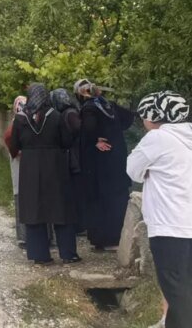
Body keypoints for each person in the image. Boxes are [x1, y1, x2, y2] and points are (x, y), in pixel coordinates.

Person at [127, 91, 192, 328]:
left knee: (176, 291)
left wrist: (149, 171)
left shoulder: (157, 138)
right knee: (185, 287)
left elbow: (133, 170)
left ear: (153, 116)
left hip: (169, 225)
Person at [9, 83, 80, 265]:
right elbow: (66, 141)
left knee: (34, 209)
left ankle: (40, 255)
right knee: (60, 208)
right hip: (54, 165)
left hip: (30, 167)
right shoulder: (55, 116)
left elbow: (14, 144)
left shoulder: (21, 119)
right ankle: (68, 254)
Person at [75, 79, 134, 250]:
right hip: (117, 156)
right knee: (118, 197)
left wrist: (95, 139)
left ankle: (104, 239)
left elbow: (88, 128)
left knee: (101, 200)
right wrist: (114, 133)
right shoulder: (110, 105)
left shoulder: (89, 109)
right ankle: (119, 237)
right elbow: (128, 118)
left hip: (100, 162)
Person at [50, 88, 84, 234]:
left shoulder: (69, 113)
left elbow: (79, 130)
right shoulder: (70, 112)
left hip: (75, 157)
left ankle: (79, 225)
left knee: (76, 192)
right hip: (75, 156)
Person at [4, 96, 27, 248]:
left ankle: (23, 236)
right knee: (22, 199)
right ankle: (23, 236)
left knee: (21, 199)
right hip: (21, 167)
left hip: (21, 167)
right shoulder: (20, 123)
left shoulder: (15, 123)